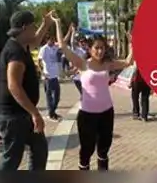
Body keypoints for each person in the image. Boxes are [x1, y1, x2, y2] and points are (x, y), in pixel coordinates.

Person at [52, 15, 133, 170]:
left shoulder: (108, 64)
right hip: (87, 115)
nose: (100, 51)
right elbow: (62, 45)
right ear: (90, 49)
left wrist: (132, 43)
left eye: (102, 47)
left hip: (106, 113)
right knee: (86, 150)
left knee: (104, 149)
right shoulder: (82, 64)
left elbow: (128, 62)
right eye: (96, 47)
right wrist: (57, 23)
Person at [0, 9, 53, 171]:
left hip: (23, 114)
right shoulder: (14, 52)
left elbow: (35, 41)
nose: (35, 28)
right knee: (11, 159)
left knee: (39, 149)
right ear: (23, 28)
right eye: (32, 25)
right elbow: (13, 85)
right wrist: (35, 113)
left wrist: (46, 24)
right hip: (14, 117)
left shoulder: (21, 45)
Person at [36, 37, 62, 121]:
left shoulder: (55, 47)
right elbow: (38, 61)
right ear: (47, 40)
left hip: (55, 76)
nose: (53, 41)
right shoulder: (44, 49)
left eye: (53, 40)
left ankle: (52, 112)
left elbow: (63, 41)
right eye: (51, 40)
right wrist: (42, 73)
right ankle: (51, 113)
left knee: (57, 96)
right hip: (48, 76)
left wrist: (70, 31)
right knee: (49, 96)